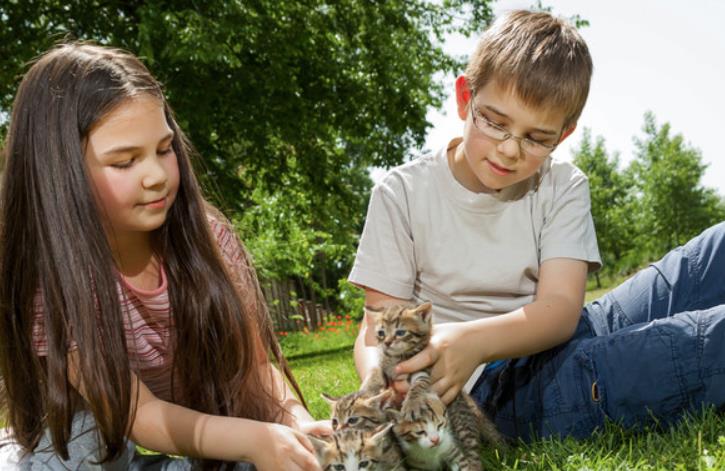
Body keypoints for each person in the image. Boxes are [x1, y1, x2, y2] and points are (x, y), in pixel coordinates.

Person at [350, 9, 724, 442]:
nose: (509, 150)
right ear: (465, 98)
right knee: (705, 340)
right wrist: (383, 390)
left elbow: (560, 310)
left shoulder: (563, 185)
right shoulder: (401, 193)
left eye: (536, 138)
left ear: (563, 135)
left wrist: (475, 340)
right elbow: (377, 323)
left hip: (557, 335)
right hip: (493, 394)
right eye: (495, 122)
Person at [0, 43, 328, 470]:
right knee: (73, 456)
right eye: (124, 162)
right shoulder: (52, 281)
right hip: (85, 433)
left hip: (188, 425)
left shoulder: (210, 242)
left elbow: (255, 367)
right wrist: (253, 439)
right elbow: (139, 414)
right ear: (60, 174)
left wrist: (292, 423)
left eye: (164, 149)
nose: (156, 176)